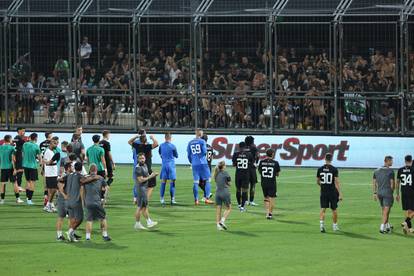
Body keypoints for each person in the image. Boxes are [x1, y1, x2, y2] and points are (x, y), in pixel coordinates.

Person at [65, 162, 97, 242]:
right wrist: (95, 177)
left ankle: (71, 236)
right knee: (80, 219)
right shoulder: (80, 177)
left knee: (72, 219)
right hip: (76, 201)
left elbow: (60, 180)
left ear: (75, 168)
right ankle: (70, 232)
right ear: (81, 168)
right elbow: (86, 181)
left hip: (68, 200)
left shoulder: (69, 175)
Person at [82, 164, 111, 241]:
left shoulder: (85, 179)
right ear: (96, 170)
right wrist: (104, 198)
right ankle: (105, 235)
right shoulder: (100, 178)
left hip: (88, 202)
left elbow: (83, 191)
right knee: (103, 218)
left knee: (89, 220)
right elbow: (107, 187)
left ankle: (88, 237)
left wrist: (83, 201)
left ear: (89, 170)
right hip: (97, 202)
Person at [128, 132, 158, 203]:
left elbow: (129, 141)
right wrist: (152, 137)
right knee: (151, 185)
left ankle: (136, 198)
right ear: (145, 140)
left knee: (139, 184)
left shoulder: (137, 145)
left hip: (139, 167)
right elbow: (156, 144)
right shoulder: (147, 146)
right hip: (147, 167)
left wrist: (135, 137)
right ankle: (145, 200)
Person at [317, 153, 343, 233]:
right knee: (334, 209)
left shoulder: (320, 169)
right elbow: (336, 182)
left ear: (324, 158)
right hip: (332, 192)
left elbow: (317, 181)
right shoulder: (334, 169)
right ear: (331, 159)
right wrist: (340, 193)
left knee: (323, 209)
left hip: (323, 192)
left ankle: (321, 226)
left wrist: (322, 186)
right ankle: (334, 226)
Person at [187, 129, 213, 205]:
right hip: (203, 163)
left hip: (195, 164)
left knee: (196, 182)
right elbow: (205, 152)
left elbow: (188, 155)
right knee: (207, 180)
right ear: (201, 134)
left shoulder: (190, 142)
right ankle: (207, 199)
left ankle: (196, 200)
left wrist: (192, 161)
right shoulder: (202, 142)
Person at [134, 153, 159, 230]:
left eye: (143, 158)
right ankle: (137, 223)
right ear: (138, 159)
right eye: (140, 158)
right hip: (141, 189)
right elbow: (141, 180)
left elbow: (147, 175)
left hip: (144, 188)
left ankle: (148, 222)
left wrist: (153, 174)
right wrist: (151, 176)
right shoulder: (138, 168)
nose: (142, 160)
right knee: (140, 207)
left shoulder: (145, 165)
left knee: (144, 206)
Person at [373, 156, 395, 234]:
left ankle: (387, 225)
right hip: (387, 193)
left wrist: (375, 193)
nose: (392, 162)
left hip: (379, 193)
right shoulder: (390, 171)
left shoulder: (376, 170)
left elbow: (374, 183)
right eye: (391, 161)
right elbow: (392, 184)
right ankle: (382, 227)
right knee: (386, 210)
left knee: (384, 209)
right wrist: (391, 192)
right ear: (388, 161)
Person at [258, 148, 281, 219]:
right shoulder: (275, 163)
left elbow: (259, 171)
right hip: (272, 183)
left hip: (264, 182)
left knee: (266, 198)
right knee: (272, 198)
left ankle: (267, 213)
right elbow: (277, 174)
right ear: (272, 154)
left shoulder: (261, 162)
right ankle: (270, 214)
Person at [0, 135, 23, 204]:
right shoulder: (12, 148)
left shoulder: (0, 147)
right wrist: (15, 169)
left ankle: (2, 200)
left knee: (3, 184)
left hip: (3, 168)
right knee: (15, 183)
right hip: (10, 168)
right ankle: (18, 198)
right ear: (10, 140)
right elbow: (13, 159)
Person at [232, 142, 254, 212]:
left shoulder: (236, 154)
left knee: (238, 190)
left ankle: (239, 204)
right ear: (245, 147)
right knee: (245, 190)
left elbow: (234, 164)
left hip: (238, 174)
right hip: (245, 174)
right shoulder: (249, 154)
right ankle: (242, 207)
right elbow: (251, 164)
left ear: (239, 147)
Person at [396, 155, 414, 234]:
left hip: (403, 192)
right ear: (411, 160)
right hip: (412, 192)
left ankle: (409, 228)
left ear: (405, 160)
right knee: (411, 210)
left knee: (408, 209)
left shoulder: (400, 170)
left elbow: (397, 183)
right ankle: (406, 221)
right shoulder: (413, 169)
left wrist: (397, 194)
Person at [22, 133, 42, 205]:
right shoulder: (36, 146)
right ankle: (29, 200)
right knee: (32, 183)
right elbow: (40, 158)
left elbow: (23, 154)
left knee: (28, 182)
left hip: (25, 165)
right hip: (33, 166)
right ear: (36, 138)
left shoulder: (25, 144)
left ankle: (27, 198)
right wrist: (41, 166)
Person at [159, 132, 178, 205]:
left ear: (165, 137)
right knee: (172, 182)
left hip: (164, 165)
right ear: (170, 138)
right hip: (171, 166)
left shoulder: (161, 146)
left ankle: (162, 199)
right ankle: (172, 199)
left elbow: (160, 153)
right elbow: (176, 155)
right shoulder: (173, 146)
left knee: (163, 182)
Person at [42, 139, 61, 213]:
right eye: (54, 143)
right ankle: (48, 205)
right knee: (53, 190)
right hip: (50, 173)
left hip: (52, 172)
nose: (56, 145)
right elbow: (46, 162)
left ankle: (49, 205)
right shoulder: (48, 151)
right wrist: (51, 161)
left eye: (57, 143)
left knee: (51, 190)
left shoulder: (52, 151)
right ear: (50, 143)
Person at [56, 162, 72, 241]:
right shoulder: (64, 176)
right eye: (72, 166)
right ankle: (59, 235)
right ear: (68, 168)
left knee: (71, 217)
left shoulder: (70, 176)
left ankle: (71, 233)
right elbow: (60, 186)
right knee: (61, 217)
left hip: (69, 200)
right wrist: (65, 196)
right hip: (62, 200)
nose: (73, 167)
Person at [214, 161, 232, 231]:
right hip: (224, 192)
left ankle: (218, 225)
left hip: (217, 193)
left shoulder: (216, 173)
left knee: (218, 210)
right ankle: (222, 220)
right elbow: (229, 183)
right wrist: (227, 183)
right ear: (223, 166)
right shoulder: (226, 173)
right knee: (229, 208)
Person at [40, 132, 53, 206]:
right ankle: (49, 199)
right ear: (50, 136)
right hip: (51, 164)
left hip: (44, 164)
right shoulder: (52, 143)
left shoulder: (41, 144)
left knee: (46, 183)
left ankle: (45, 197)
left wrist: (42, 167)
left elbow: (41, 156)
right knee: (52, 183)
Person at [199, 134, 213, 201]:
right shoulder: (210, 147)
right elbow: (211, 157)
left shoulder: (201, 147)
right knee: (206, 182)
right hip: (209, 165)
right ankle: (206, 196)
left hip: (203, 166)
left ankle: (207, 193)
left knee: (199, 182)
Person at [245, 136, 259, 206]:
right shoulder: (254, 147)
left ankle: (246, 200)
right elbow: (257, 156)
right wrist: (256, 163)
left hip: (245, 168)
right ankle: (251, 201)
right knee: (253, 184)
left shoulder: (244, 148)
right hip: (252, 168)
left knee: (246, 185)